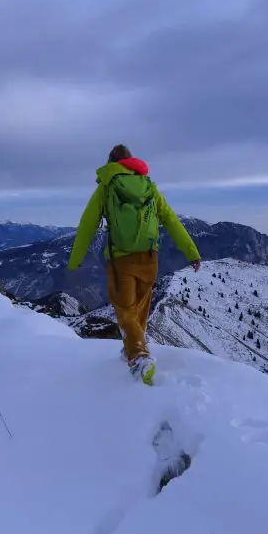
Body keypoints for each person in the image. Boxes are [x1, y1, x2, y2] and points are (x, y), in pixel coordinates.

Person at [67, 144, 201, 385]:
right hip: (150, 256)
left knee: (124, 309)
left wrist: (75, 259)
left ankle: (139, 355)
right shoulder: (149, 187)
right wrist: (191, 251)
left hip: (121, 258)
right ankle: (132, 347)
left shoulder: (107, 188)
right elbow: (171, 220)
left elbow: (87, 224)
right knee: (140, 306)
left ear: (112, 162)